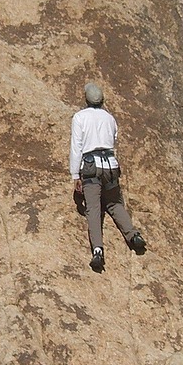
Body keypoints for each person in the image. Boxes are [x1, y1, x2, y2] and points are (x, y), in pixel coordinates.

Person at [70, 82, 146, 272]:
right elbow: (113, 139)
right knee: (114, 203)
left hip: (90, 166)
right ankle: (133, 235)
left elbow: (76, 147)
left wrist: (75, 175)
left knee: (93, 208)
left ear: (85, 99)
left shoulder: (80, 117)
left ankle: (98, 251)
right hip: (110, 165)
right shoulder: (110, 118)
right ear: (102, 100)